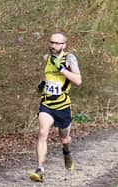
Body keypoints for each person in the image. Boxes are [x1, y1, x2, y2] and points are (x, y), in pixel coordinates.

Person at [30, 32, 82, 182]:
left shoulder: (70, 58)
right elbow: (47, 78)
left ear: (64, 45)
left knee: (64, 137)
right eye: (51, 42)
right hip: (47, 103)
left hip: (63, 104)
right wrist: (41, 85)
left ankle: (66, 152)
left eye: (57, 43)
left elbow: (78, 81)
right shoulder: (46, 58)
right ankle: (40, 169)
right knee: (42, 133)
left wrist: (62, 70)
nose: (53, 45)